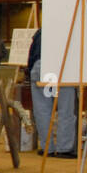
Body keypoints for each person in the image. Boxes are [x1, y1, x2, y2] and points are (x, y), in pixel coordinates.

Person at [27, 28, 77, 157]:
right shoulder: (71, 29)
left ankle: (46, 147)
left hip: (41, 67)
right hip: (64, 66)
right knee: (65, 109)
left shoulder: (41, 31)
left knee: (42, 110)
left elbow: (31, 54)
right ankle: (64, 148)